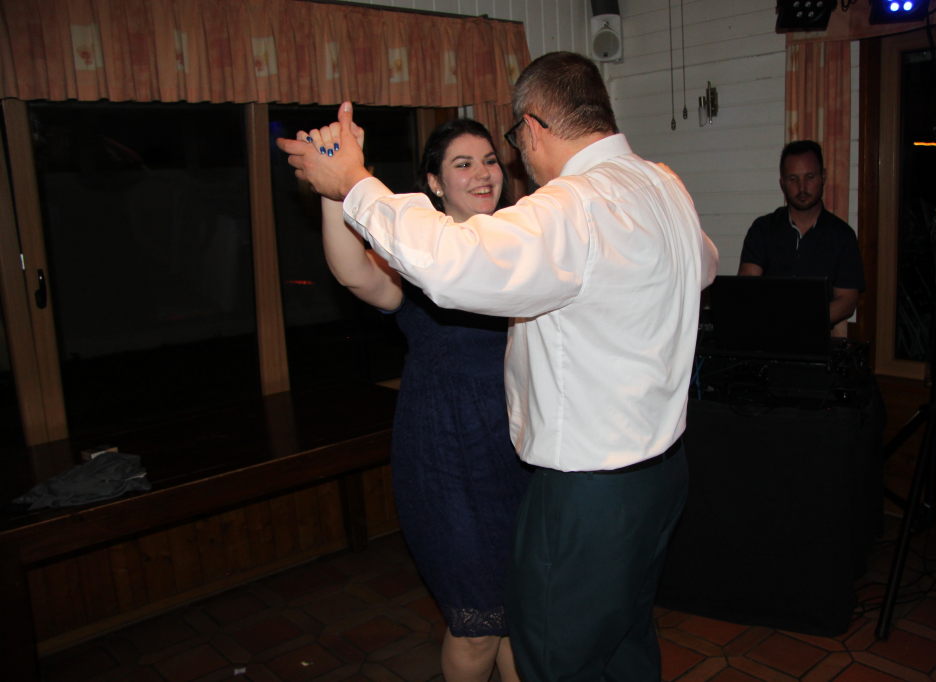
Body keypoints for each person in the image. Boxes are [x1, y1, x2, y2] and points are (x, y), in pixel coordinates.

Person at [278, 51, 718, 681]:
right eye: (466, 163)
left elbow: (452, 265)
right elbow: (700, 267)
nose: (502, 166)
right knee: (621, 639)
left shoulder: (568, 208)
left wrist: (354, 181)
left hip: (590, 488)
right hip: (658, 471)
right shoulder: (662, 183)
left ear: (532, 128)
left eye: (504, 148)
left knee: (557, 658)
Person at [311, 118, 530, 682]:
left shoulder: (521, 242)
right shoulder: (419, 250)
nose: (483, 173)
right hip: (445, 455)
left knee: (518, 616)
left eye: (490, 160)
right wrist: (337, 187)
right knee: (476, 624)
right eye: (463, 164)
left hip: (518, 451)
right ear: (434, 182)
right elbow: (353, 274)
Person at [738, 139, 865, 332]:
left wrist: (803, 322)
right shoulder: (763, 229)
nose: (802, 187)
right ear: (782, 183)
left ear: (823, 177)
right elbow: (747, 286)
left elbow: (847, 301)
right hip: (768, 335)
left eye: (810, 177)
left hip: (816, 337)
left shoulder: (842, 236)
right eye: (793, 179)